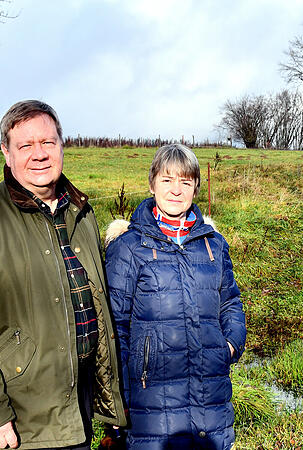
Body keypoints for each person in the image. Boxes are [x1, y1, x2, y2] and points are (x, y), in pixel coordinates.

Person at [0, 100, 126, 449]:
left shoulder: (81, 211)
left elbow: (98, 307)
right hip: (20, 419)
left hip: (78, 407)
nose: (39, 154)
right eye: (25, 145)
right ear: (6, 153)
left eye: (47, 142)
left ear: (61, 145)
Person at [105, 143, 246, 449]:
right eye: (167, 180)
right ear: (152, 183)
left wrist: (230, 346)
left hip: (211, 398)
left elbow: (230, 302)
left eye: (185, 181)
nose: (176, 190)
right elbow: (114, 328)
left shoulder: (213, 245)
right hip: (151, 403)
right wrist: (118, 398)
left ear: (196, 187)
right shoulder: (129, 247)